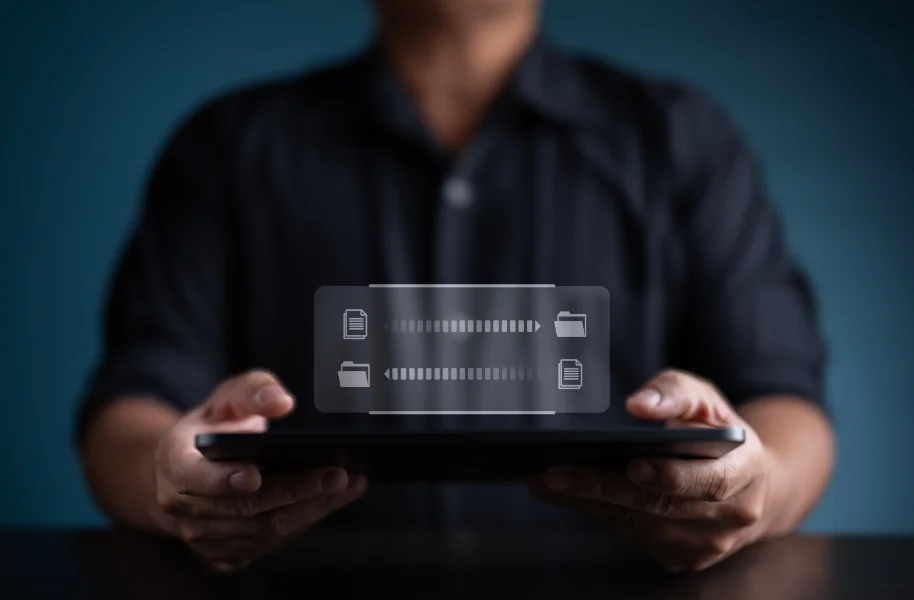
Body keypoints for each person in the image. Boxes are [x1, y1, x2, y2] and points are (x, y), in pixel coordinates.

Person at [77, 0, 835, 574]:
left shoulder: (682, 142)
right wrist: (168, 482)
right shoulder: (228, 148)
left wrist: (756, 483)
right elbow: (133, 407)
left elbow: (786, 404)